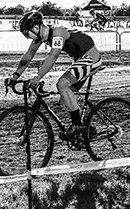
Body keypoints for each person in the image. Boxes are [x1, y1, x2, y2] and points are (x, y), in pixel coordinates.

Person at [10, 11, 102, 141]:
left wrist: (38, 77)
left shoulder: (58, 33)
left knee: (62, 84)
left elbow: (53, 56)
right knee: (65, 99)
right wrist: (15, 76)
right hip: (80, 59)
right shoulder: (40, 37)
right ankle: (87, 129)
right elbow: (28, 56)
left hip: (91, 57)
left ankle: (77, 126)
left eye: (26, 33)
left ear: (36, 28)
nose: (26, 37)